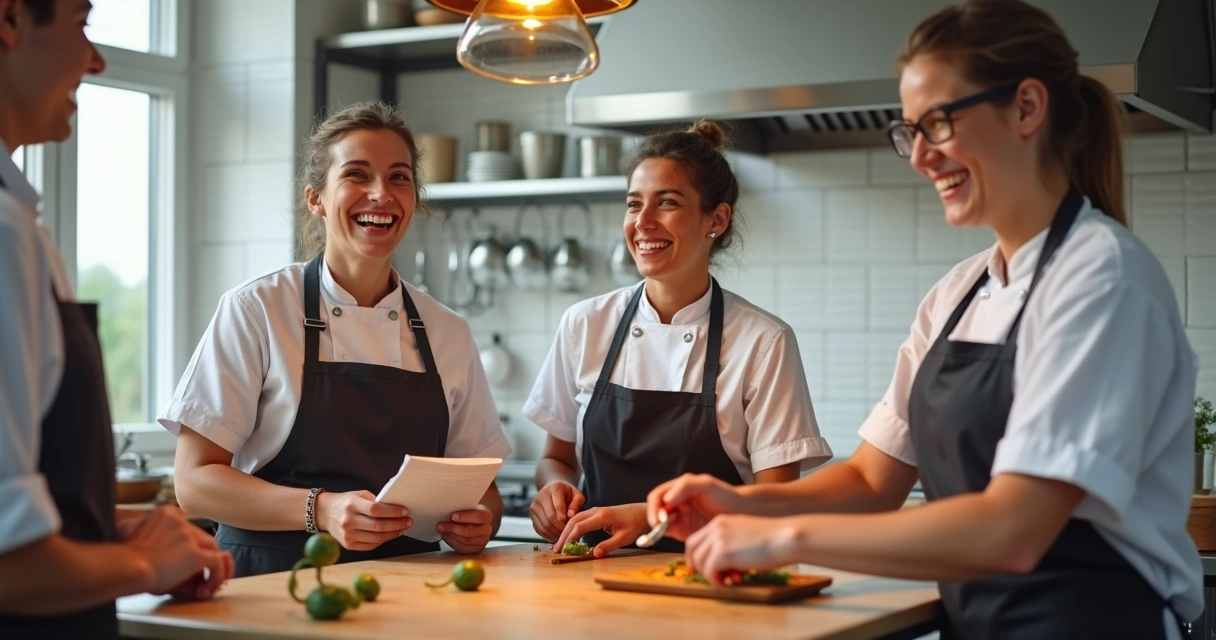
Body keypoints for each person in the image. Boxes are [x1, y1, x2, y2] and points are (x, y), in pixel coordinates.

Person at [646, 1, 1203, 638]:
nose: (919, 157)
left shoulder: (1102, 278)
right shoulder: (958, 292)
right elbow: (870, 479)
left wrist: (779, 538)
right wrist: (737, 502)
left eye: (938, 124)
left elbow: (1012, 530)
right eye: (910, 131)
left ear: (1026, 107)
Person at [162, 101, 511, 577]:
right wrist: (319, 509)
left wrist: (481, 521)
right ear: (316, 199)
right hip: (272, 586)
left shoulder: (448, 331)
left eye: (399, 177)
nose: (380, 194)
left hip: (405, 590)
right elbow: (194, 483)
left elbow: (483, 487)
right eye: (356, 174)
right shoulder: (258, 309)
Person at [0, 0, 232, 636]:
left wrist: (111, 535)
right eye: (82, 25)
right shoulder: (4, 234)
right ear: (10, 19)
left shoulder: (20, 224)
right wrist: (138, 561)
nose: (95, 60)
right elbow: (10, 566)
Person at [525, 120, 832, 557]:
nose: (643, 222)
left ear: (717, 219)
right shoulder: (584, 324)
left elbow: (776, 505)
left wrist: (652, 517)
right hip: (593, 579)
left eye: (667, 202)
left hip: (714, 578)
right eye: (634, 205)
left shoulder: (763, 342)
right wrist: (554, 488)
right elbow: (557, 457)